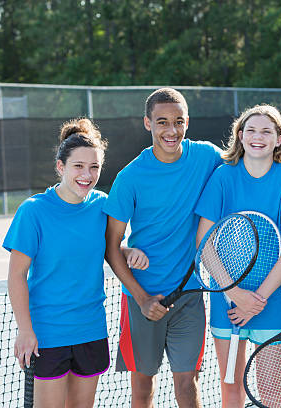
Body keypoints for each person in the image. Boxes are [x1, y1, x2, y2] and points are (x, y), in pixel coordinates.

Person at [4, 118, 148, 407]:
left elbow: (110, 247)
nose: (87, 174)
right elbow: (17, 275)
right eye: (78, 166)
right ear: (61, 167)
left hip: (91, 329)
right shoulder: (33, 212)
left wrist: (129, 251)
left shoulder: (102, 206)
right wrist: (25, 330)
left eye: (94, 167)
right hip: (48, 332)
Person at [103, 88, 223, 408]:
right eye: (162, 122)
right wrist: (142, 299)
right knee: (143, 388)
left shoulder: (207, 156)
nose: (171, 131)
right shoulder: (129, 177)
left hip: (190, 293)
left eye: (179, 121)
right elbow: (110, 247)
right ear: (148, 123)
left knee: (188, 383)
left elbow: (251, 163)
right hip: (143, 298)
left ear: (187, 122)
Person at [194, 104, 281, 407]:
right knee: (231, 390)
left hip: (271, 300)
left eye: (267, 131)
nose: (258, 137)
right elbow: (205, 239)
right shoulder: (223, 177)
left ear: (279, 139)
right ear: (240, 136)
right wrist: (234, 292)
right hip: (226, 300)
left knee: (270, 390)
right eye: (251, 130)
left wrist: (257, 300)